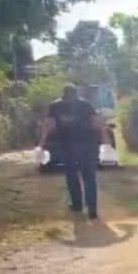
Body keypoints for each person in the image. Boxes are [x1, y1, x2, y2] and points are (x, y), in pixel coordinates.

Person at [39, 84, 105, 219]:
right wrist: (105, 140)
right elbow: (96, 123)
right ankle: (92, 210)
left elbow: (49, 125)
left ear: (63, 94)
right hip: (87, 145)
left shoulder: (55, 105)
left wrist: (42, 142)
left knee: (71, 176)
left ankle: (77, 205)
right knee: (89, 178)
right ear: (76, 93)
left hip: (67, 146)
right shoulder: (86, 104)